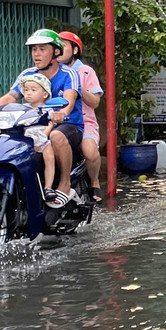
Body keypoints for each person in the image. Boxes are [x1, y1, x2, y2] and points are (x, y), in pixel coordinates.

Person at [0, 29, 81, 202]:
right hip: (34, 124)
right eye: (34, 49)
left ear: (55, 51)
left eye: (42, 49)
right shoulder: (27, 74)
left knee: (56, 136)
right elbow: (11, 97)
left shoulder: (68, 73)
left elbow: (70, 98)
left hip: (68, 125)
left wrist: (61, 113)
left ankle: (64, 183)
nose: (36, 54)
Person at [5, 72, 66, 206]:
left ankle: (48, 187)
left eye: (33, 90)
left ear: (45, 94)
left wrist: (44, 134)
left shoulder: (48, 109)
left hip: (42, 138)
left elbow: (51, 123)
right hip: (26, 140)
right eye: (26, 90)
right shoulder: (22, 109)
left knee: (49, 157)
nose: (28, 93)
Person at [59, 31, 104, 203]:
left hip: (84, 122)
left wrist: (77, 87)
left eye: (63, 46)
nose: (58, 50)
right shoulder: (52, 71)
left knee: (90, 152)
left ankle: (94, 182)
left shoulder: (85, 72)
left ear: (75, 50)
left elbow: (95, 102)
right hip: (57, 121)